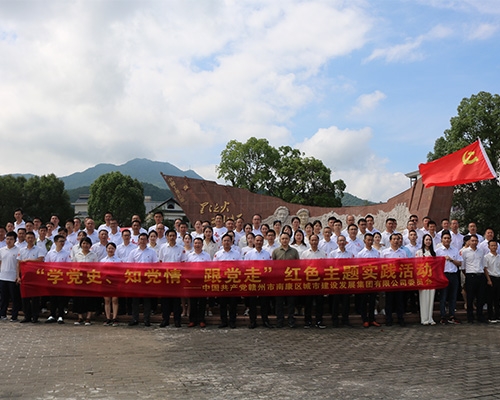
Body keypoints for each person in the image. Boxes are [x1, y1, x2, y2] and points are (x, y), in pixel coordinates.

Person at [128, 233, 158, 327]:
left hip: (147, 279)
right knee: (135, 301)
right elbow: (130, 266)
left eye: (144, 239)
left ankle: (146, 319)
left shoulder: (152, 252)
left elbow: (155, 265)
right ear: (138, 240)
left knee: (147, 301)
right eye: (141, 239)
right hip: (136, 279)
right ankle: (135, 319)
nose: (142, 241)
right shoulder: (133, 252)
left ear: (147, 240)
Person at [158, 230, 186, 327]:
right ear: (167, 237)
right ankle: (165, 319)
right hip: (166, 277)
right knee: (165, 300)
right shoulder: (162, 248)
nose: (172, 237)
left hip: (176, 277)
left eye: (174, 235)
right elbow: (160, 262)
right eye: (170, 235)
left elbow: (183, 263)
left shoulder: (181, 248)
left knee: (176, 301)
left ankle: (177, 320)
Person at [244, 234, 273, 329]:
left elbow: (270, 268)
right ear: (253, 241)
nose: (259, 242)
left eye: (260, 241)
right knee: (252, 303)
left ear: (263, 242)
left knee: (264, 303)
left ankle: (265, 320)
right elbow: (245, 268)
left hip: (263, 282)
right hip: (252, 281)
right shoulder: (249, 254)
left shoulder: (267, 254)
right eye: (257, 241)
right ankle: (253, 321)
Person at [272, 232, 300, 328]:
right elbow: (273, 266)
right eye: (283, 238)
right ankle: (280, 321)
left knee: (291, 302)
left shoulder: (294, 252)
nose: (284, 240)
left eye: (286, 238)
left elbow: (298, 266)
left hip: (290, 280)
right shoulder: (275, 252)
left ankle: (291, 321)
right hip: (279, 281)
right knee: (279, 303)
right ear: (280, 240)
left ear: (289, 240)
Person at [214, 234, 242, 329]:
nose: (226, 242)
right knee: (223, 303)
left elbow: (240, 267)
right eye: (224, 241)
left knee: (233, 303)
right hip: (222, 282)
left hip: (233, 281)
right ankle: (223, 321)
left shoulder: (236, 254)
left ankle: (232, 321)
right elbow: (214, 268)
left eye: (228, 241)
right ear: (222, 242)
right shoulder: (218, 254)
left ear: (231, 242)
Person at [300, 234, 328, 329]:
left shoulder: (323, 253)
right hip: (308, 282)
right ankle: (307, 321)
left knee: (319, 303)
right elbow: (302, 268)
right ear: (309, 241)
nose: (314, 242)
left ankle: (319, 321)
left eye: (316, 240)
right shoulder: (305, 254)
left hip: (319, 282)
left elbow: (326, 267)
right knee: (308, 303)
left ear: (318, 241)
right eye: (312, 240)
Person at [17, 231, 45, 323]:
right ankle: (27, 316)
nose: (30, 239)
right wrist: (18, 276)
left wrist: (29, 260)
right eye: (28, 238)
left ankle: (35, 316)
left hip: (35, 277)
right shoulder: (21, 250)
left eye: (31, 238)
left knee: (35, 298)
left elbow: (41, 260)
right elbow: (19, 264)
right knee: (25, 298)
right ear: (25, 238)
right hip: (25, 277)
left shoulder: (39, 249)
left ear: (34, 239)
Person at [381, 234, 407, 327]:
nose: (396, 241)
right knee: (389, 300)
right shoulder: (384, 252)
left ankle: (401, 318)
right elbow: (381, 265)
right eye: (394, 239)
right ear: (390, 241)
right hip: (389, 279)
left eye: (397, 239)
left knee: (399, 300)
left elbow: (405, 265)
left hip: (399, 279)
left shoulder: (403, 252)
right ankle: (389, 319)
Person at [436, 230, 462, 324]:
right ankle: (443, 316)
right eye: (445, 238)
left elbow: (459, 263)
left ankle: (452, 315)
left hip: (454, 275)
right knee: (443, 297)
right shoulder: (438, 251)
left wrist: (451, 260)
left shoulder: (455, 250)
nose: (447, 240)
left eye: (448, 238)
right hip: (443, 275)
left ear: (451, 240)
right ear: (441, 240)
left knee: (453, 297)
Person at [44, 234, 71, 324]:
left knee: (61, 298)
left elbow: (68, 266)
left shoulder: (67, 253)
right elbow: (46, 265)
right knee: (52, 297)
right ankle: (52, 315)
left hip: (62, 278)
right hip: (52, 277)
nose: (62, 243)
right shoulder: (50, 253)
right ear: (55, 242)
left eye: (63, 241)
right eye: (60, 241)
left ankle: (60, 315)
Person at [72, 237, 99, 326]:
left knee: (89, 298)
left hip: (89, 279)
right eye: (83, 243)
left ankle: (88, 317)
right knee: (79, 298)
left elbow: (97, 268)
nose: (85, 245)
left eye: (87, 243)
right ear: (81, 245)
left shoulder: (93, 255)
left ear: (90, 245)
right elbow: (73, 267)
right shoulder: (77, 255)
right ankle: (80, 317)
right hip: (79, 279)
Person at [329, 235, 354, 327]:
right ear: (337, 242)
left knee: (346, 302)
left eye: (343, 241)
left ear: (346, 242)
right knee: (335, 302)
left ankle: (345, 320)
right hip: (336, 280)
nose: (342, 242)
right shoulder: (333, 254)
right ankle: (335, 320)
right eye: (340, 241)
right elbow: (330, 267)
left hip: (346, 280)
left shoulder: (350, 254)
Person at [357, 233, 381, 328]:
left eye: (371, 240)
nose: (370, 242)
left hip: (373, 280)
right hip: (364, 280)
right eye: (368, 240)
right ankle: (365, 319)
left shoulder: (376, 252)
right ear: (364, 241)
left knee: (372, 301)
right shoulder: (361, 254)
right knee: (364, 301)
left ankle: (372, 319)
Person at [186, 238, 211, 328]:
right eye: (196, 243)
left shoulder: (207, 256)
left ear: (202, 244)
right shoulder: (189, 256)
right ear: (193, 244)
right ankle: (192, 320)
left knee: (202, 302)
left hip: (203, 281)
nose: (197, 245)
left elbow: (209, 268)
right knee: (193, 302)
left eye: (199, 243)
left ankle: (201, 319)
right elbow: (186, 269)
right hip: (192, 282)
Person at [461, 234, 486, 323]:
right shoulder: (465, 252)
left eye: (476, 241)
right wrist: (468, 275)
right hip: (470, 276)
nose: (474, 242)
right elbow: (463, 267)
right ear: (469, 241)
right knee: (470, 298)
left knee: (480, 298)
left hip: (480, 275)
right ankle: (470, 317)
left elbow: (483, 265)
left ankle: (480, 316)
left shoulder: (481, 251)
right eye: (472, 241)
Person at [415, 234, 437, 325]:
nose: (428, 241)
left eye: (429, 240)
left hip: (431, 278)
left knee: (431, 298)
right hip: (423, 278)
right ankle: (424, 319)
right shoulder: (419, 252)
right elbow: (416, 265)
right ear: (423, 241)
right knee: (424, 298)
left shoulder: (433, 253)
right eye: (426, 239)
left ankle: (430, 318)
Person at [0, 231, 21, 321]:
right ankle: (2, 314)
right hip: (2, 276)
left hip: (12, 277)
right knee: (3, 298)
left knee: (14, 298)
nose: (9, 241)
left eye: (11, 239)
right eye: (7, 239)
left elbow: (18, 264)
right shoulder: (1, 250)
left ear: (15, 240)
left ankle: (14, 316)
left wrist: (18, 276)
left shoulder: (18, 250)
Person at [101, 242, 121, 326]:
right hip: (105, 282)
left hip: (115, 282)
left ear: (115, 250)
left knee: (115, 300)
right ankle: (108, 318)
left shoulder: (118, 260)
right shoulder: (102, 260)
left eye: (112, 248)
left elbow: (121, 272)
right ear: (106, 249)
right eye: (109, 248)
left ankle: (115, 318)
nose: (110, 250)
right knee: (107, 300)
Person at [484, 240, 500, 323]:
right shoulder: (486, 257)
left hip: (498, 278)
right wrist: (488, 280)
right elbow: (485, 269)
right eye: (492, 245)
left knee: (498, 299)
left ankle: (498, 315)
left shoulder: (499, 256)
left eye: (495, 245)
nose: (494, 247)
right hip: (491, 278)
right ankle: (490, 316)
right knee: (490, 299)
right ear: (489, 247)